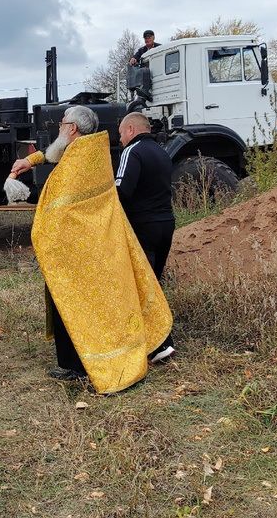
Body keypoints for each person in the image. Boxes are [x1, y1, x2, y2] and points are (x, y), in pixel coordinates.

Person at [12, 106, 172, 392]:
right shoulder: (93, 153)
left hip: (76, 254)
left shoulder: (76, 163)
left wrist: (42, 229)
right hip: (100, 248)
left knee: (73, 303)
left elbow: (58, 210)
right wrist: (31, 160)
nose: (59, 128)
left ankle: (74, 366)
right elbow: (54, 155)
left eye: (62, 124)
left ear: (72, 129)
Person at [115, 112, 177, 362]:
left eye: (120, 134)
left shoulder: (133, 151)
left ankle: (159, 343)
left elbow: (121, 191)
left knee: (141, 286)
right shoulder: (162, 152)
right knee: (154, 283)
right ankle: (159, 338)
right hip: (166, 223)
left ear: (130, 129)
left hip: (143, 226)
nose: (120, 140)